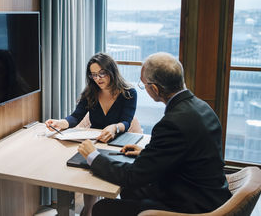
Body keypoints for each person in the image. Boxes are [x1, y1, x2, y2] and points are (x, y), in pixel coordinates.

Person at [78, 52, 232, 216]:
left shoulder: (172, 123)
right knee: (131, 191)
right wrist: (148, 154)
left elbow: (132, 176)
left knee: (102, 208)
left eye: (144, 85)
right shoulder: (202, 107)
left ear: (155, 89)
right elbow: (189, 152)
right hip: (207, 192)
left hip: (192, 205)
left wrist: (93, 156)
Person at [45, 52, 137, 216]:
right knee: (89, 174)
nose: (98, 78)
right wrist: (61, 123)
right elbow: (75, 116)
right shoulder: (91, 92)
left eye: (102, 73)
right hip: (95, 141)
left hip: (117, 143)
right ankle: (87, 210)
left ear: (112, 71)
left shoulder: (128, 93)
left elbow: (126, 121)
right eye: (94, 75)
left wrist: (114, 127)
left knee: (114, 180)